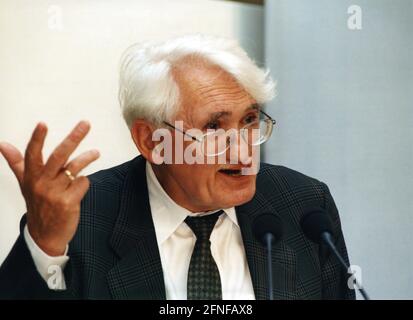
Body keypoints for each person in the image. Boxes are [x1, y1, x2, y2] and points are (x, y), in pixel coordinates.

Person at [0, 34, 355, 299]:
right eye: (214, 127)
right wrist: (44, 244)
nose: (244, 148)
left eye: (249, 120)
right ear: (152, 141)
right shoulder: (80, 219)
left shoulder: (305, 206)